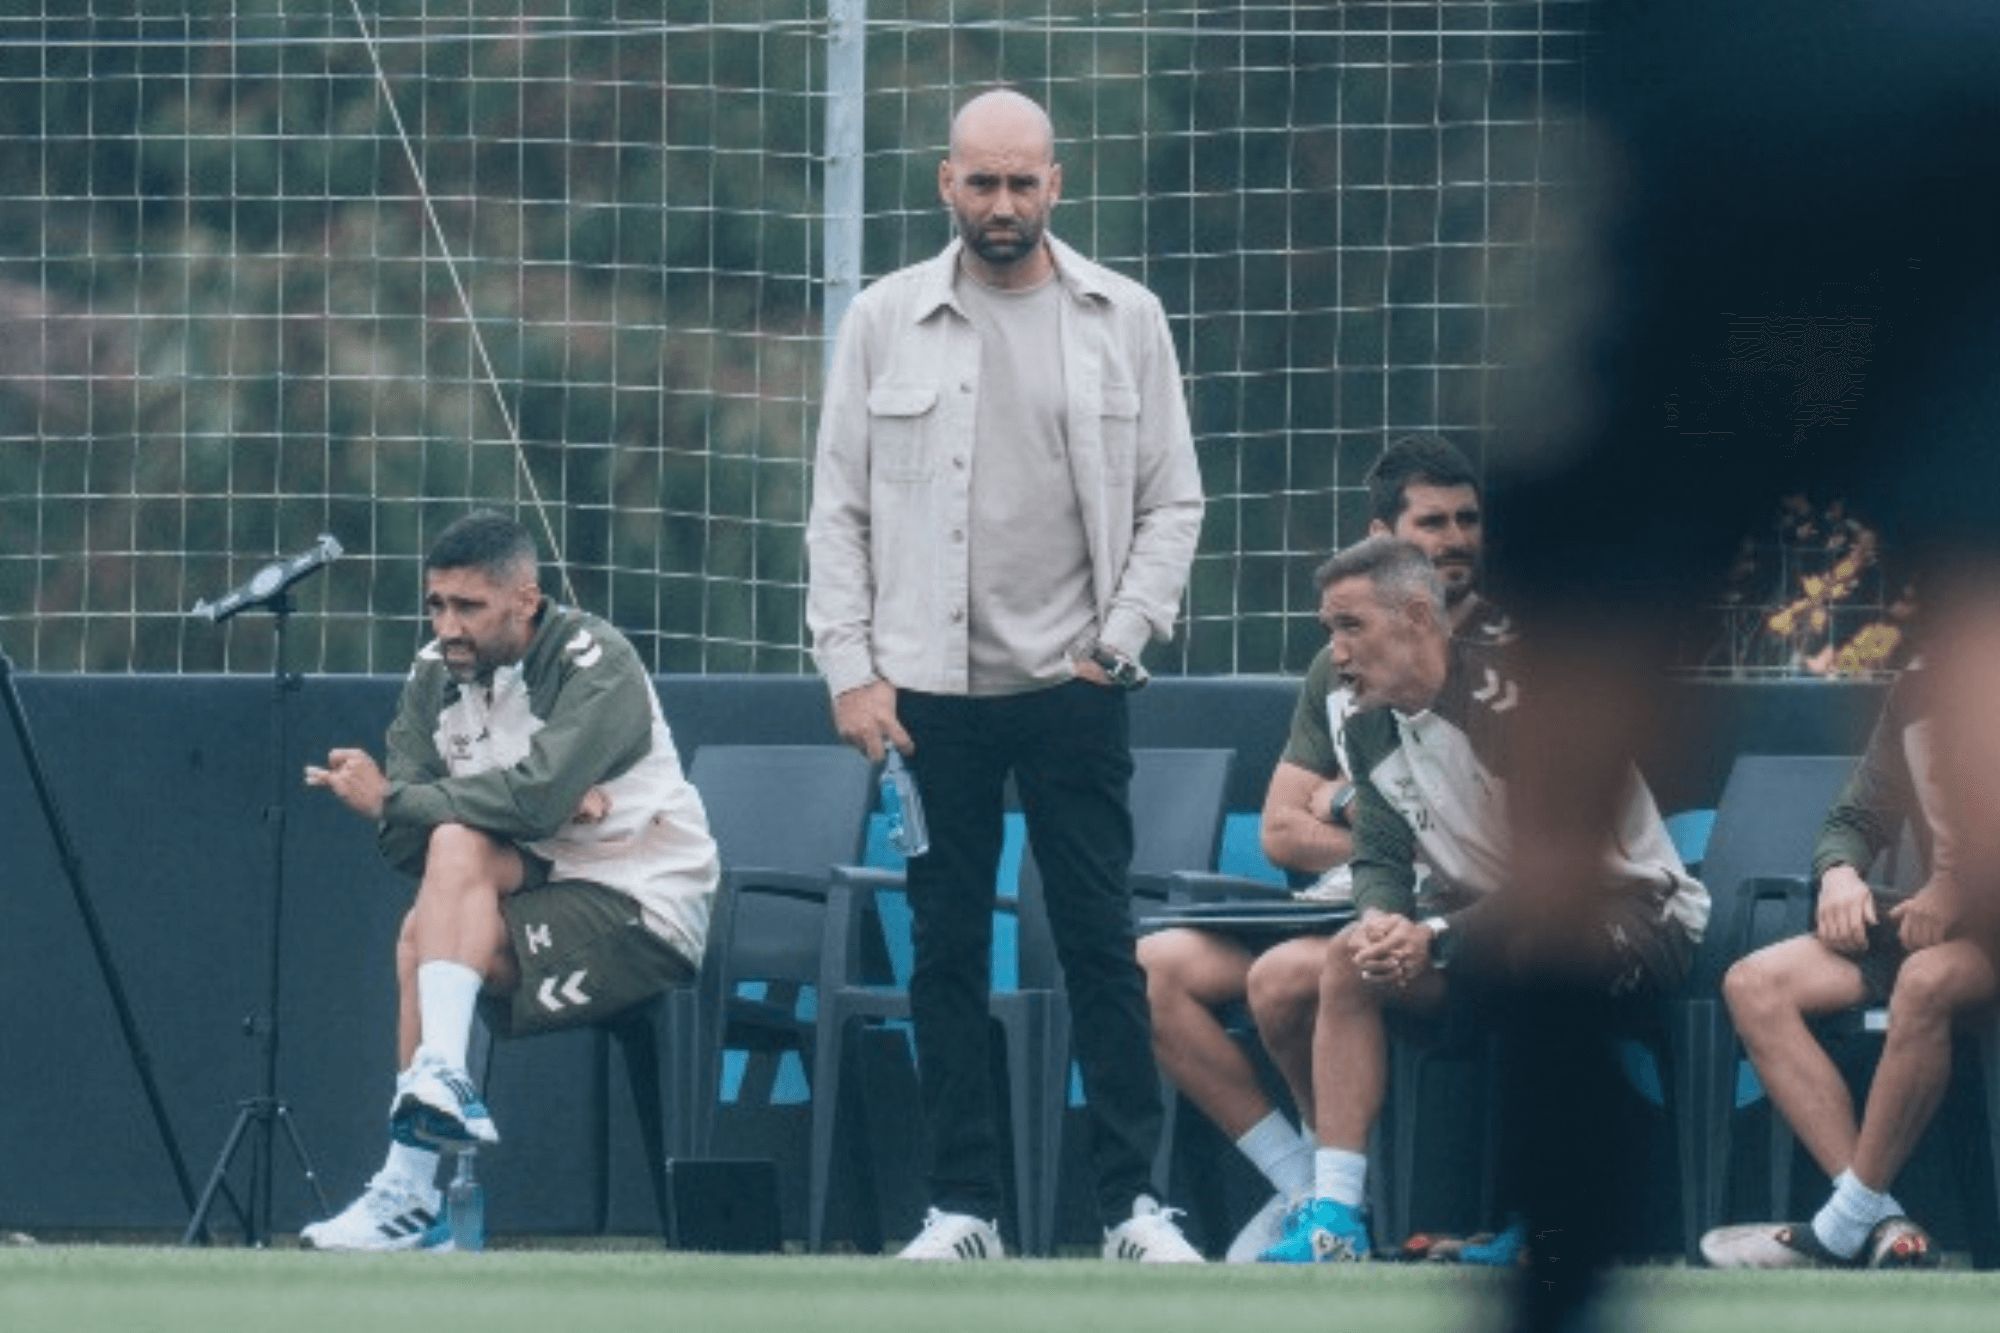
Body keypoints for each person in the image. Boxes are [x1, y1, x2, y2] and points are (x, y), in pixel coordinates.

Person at [806, 87, 1205, 1262]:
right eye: (980, 182)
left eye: (1021, 182)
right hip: (925, 694)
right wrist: (851, 670)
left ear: (1055, 185)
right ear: (945, 184)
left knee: (1096, 943)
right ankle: (960, 1206)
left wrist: (1116, 641)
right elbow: (837, 510)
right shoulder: (883, 318)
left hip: (1077, 686)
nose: (1001, 205)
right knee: (941, 951)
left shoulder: (1121, 315)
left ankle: (1135, 1207)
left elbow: (1171, 497)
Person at [1253, 535, 1707, 1263]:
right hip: (1478, 930)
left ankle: (1551, 1225)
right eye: (1328, 630)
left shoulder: (1514, 706)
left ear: (1415, 618)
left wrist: (1432, 932)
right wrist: (1383, 921)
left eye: (1350, 626)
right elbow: (1378, 850)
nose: (1335, 653)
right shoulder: (1364, 720)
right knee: (1349, 957)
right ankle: (1335, 1219)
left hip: (1633, 918)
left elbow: (1559, 882)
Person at [298, 510, 717, 1251]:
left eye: (468, 606)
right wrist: (510, 801)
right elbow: (405, 843)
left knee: (431, 903)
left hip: (642, 901)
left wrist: (412, 796)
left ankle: (414, 1180)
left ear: (525, 599)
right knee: (448, 857)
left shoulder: (596, 659)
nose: (446, 626)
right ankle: (430, 1120)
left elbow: (523, 798)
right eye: (435, 604)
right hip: (547, 874)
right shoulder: (435, 673)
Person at [1137, 433, 1512, 1261]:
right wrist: (1366, 817)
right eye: (1431, 522)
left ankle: (1335, 1206)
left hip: (1448, 927)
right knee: (1150, 964)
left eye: (1467, 520)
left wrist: (1363, 813)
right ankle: (1306, 1187)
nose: (1453, 540)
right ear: (1381, 534)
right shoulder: (1339, 660)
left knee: (1295, 971)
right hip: (1346, 902)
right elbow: (1280, 828)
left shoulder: (1515, 660)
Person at [1701, 653, 1991, 1269]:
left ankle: (1838, 1230)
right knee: (1755, 983)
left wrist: (1961, 889)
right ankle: (1877, 1218)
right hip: (1938, 925)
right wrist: (1838, 874)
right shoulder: (1915, 688)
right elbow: (1857, 815)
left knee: (1924, 980)